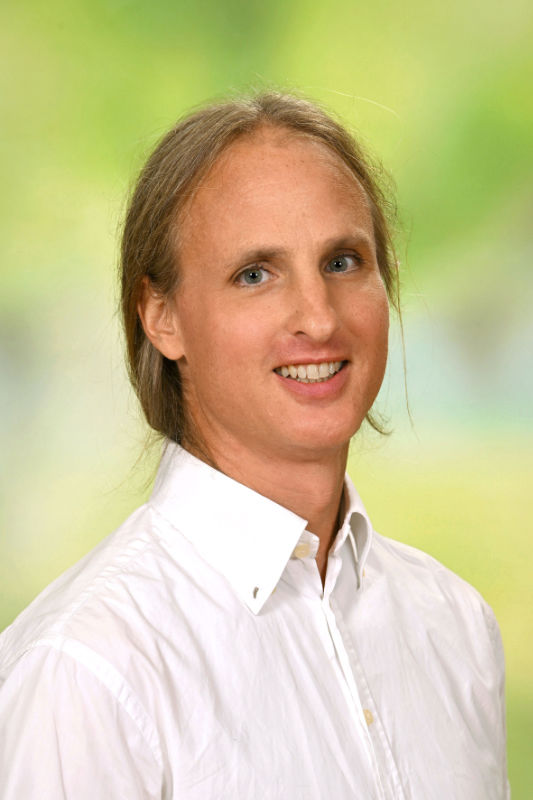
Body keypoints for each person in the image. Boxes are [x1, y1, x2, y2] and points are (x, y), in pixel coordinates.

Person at [0, 92, 509, 799]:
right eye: (254, 274)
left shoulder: (455, 626)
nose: (318, 318)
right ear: (161, 317)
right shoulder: (87, 671)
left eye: (342, 261)